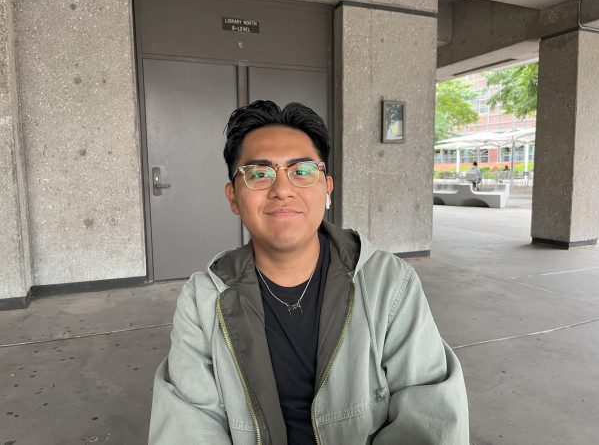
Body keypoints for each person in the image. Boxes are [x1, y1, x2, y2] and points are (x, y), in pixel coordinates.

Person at [149, 100, 469, 444]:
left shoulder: (389, 283)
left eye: (302, 171)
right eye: (259, 174)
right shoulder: (203, 298)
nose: (282, 189)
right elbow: (187, 427)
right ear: (233, 198)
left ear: (327, 189)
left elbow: (430, 417)